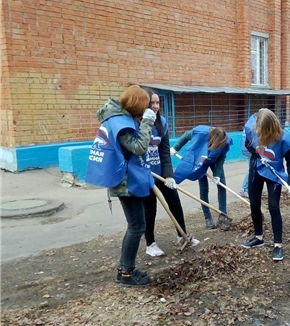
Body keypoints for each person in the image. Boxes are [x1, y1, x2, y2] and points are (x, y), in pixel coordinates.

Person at [85, 85, 154, 287]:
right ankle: (125, 273)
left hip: (128, 180)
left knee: (136, 225)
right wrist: (148, 122)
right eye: (146, 105)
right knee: (137, 227)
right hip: (126, 182)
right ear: (137, 104)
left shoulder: (118, 118)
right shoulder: (120, 122)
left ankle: (125, 270)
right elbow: (139, 148)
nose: (147, 108)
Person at [142, 89, 199, 257]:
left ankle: (182, 235)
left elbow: (165, 151)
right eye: (152, 103)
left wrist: (169, 175)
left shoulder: (162, 123)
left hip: (160, 172)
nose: (155, 106)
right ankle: (150, 243)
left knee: (174, 202)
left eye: (158, 102)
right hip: (145, 175)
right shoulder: (139, 123)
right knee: (149, 209)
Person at [241, 108, 290, 261]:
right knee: (254, 204)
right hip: (256, 170)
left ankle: (278, 245)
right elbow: (248, 144)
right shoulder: (253, 128)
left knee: (273, 207)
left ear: (270, 128)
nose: (258, 132)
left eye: (262, 130)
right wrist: (255, 152)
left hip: (274, 173)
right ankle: (259, 237)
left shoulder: (283, 138)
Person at [170, 125, 232, 230]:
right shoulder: (200, 133)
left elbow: (221, 157)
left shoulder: (226, 140)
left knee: (222, 184)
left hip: (214, 159)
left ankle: (223, 215)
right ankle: (208, 218)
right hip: (200, 157)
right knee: (203, 187)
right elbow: (185, 136)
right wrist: (175, 148)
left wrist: (216, 174)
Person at [238, 127, 250, 198]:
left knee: (253, 168)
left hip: (245, 148)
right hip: (249, 149)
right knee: (252, 169)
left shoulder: (249, 123)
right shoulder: (254, 124)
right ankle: (244, 189)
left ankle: (246, 188)